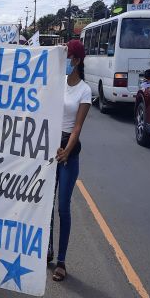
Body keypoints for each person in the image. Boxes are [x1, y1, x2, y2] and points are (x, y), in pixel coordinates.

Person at [48, 39, 92, 282]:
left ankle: (61, 261)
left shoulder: (84, 91)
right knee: (46, 205)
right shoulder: (57, 82)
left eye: (67, 55)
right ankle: (48, 249)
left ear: (76, 60)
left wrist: (66, 151)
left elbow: (77, 127)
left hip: (68, 153)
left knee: (63, 207)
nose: (64, 60)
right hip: (50, 148)